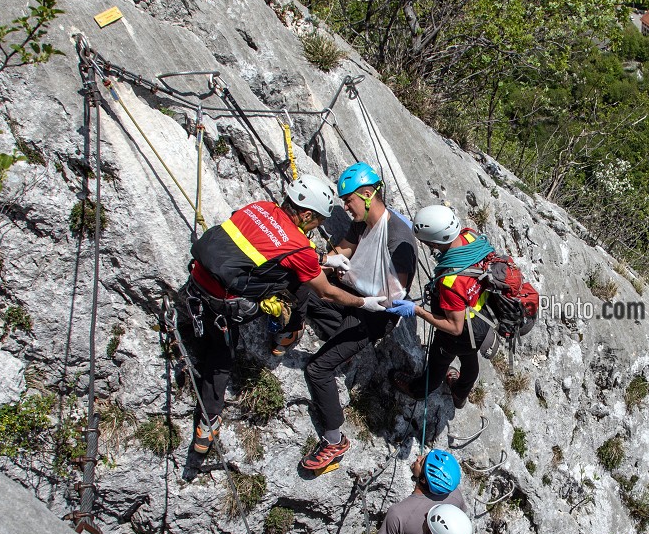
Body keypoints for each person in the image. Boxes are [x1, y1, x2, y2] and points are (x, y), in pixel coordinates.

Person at [176, 176, 403, 467]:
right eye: (315, 222)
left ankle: (208, 420)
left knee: (219, 346)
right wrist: (364, 302)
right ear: (306, 214)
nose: (313, 227)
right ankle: (289, 332)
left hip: (196, 284)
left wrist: (320, 257)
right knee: (224, 353)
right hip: (225, 304)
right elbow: (327, 291)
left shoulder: (258, 207)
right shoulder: (298, 247)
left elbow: (265, 243)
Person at [284, 163, 418, 475]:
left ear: (368, 194)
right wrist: (321, 264)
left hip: (375, 315)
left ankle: (334, 440)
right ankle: (311, 333)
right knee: (306, 284)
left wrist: (351, 282)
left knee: (318, 369)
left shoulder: (399, 238)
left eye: (349, 201)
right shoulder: (363, 223)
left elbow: (393, 297)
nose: (345, 207)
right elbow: (340, 251)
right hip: (355, 296)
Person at [393, 204, 494, 410]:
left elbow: (454, 327)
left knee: (439, 361)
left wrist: (417, 311)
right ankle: (460, 392)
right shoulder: (471, 238)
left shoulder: (450, 281)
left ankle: (419, 390)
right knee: (469, 356)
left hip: (462, 329)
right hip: (483, 316)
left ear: (434, 242)